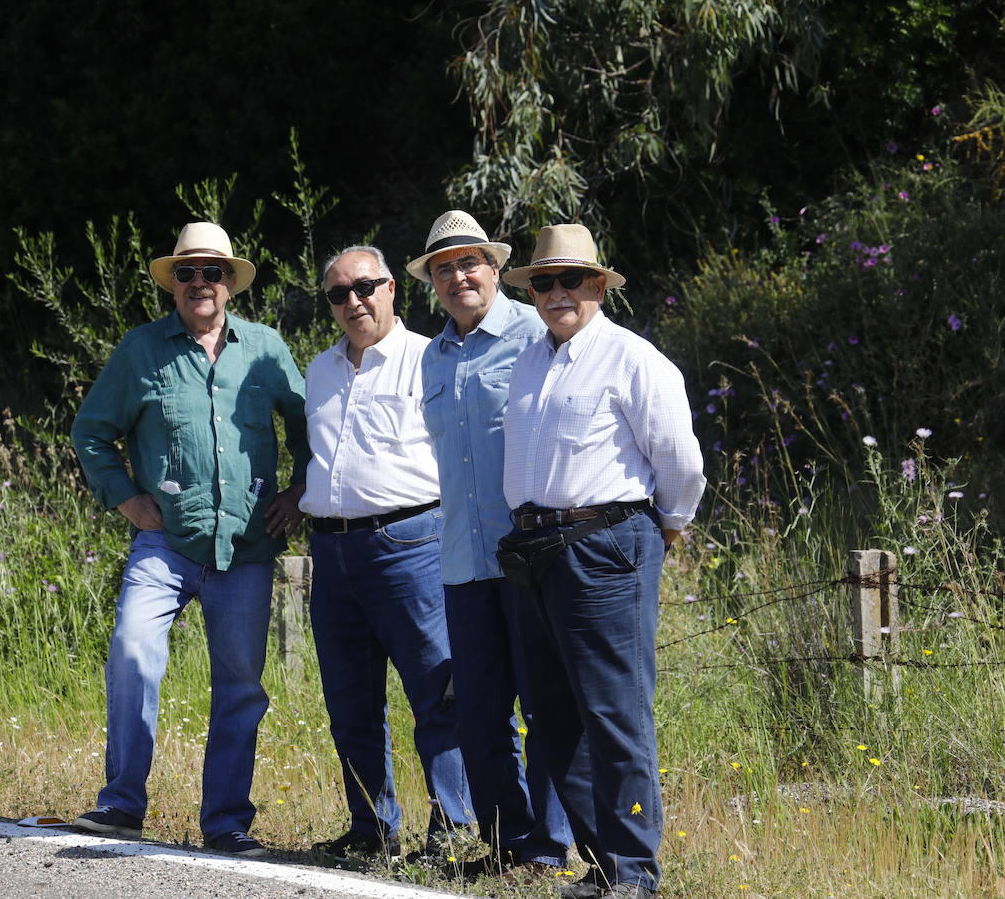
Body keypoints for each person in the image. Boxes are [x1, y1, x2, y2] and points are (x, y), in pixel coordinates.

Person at [69, 221, 309, 858]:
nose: (200, 283)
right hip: (166, 545)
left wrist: (299, 492)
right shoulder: (140, 350)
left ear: (231, 283)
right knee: (132, 650)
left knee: (240, 688)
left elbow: (312, 426)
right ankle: (121, 805)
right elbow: (91, 432)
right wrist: (124, 496)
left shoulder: (265, 349)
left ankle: (226, 823)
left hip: (249, 550)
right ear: (172, 283)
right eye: (187, 272)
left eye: (212, 272)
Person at [497, 224, 705, 899]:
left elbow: (681, 463)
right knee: (553, 716)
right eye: (543, 282)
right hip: (534, 547)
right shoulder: (531, 360)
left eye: (571, 281)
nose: (557, 293)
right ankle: (604, 862)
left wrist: (668, 527)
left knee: (614, 712)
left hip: (606, 540)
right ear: (530, 292)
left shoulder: (634, 360)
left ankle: (636, 871)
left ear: (598, 286)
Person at [408, 210, 571, 873]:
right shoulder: (432, 356)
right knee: (477, 713)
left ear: (496, 269)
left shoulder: (537, 334)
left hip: (530, 558)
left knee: (544, 703)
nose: (458, 276)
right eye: (444, 268)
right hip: (461, 561)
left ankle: (550, 847)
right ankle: (506, 844)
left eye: (469, 262)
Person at [300, 245, 472, 862]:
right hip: (331, 550)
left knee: (437, 693)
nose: (353, 302)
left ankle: (454, 832)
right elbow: (318, 459)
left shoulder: (430, 358)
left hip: (411, 543)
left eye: (365, 287)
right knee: (349, 701)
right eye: (338, 294)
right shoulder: (318, 371)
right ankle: (372, 830)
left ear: (392, 288)